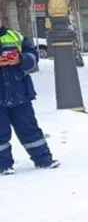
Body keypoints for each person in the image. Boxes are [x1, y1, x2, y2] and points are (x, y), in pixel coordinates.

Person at [0, 17, 59, 175]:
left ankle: (43, 159)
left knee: (29, 129)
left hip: (20, 94)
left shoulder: (15, 36)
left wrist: (20, 60)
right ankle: (3, 165)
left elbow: (33, 57)